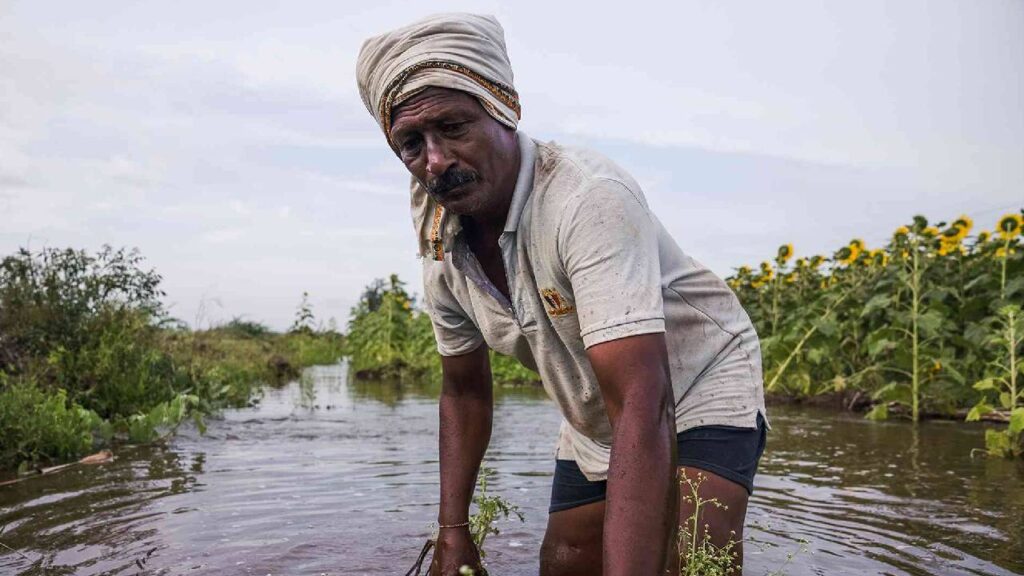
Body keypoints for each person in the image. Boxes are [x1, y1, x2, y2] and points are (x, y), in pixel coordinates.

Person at [356, 13, 767, 576]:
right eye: (411, 143)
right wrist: (453, 533)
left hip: (695, 381)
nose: (435, 160)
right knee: (565, 563)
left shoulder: (586, 199)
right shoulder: (441, 244)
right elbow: (465, 392)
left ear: (503, 109)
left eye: (453, 127)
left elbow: (643, 398)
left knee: (689, 560)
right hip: (594, 409)